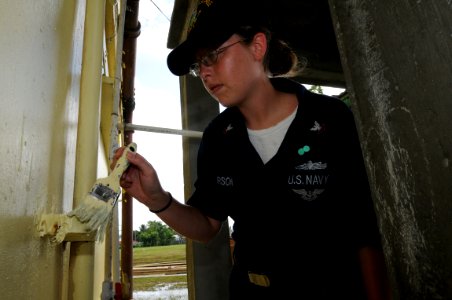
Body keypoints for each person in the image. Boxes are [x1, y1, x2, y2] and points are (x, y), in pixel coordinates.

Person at [112, 0, 391, 299]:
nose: (205, 73)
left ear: (257, 47)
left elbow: (364, 230)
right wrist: (157, 199)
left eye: (213, 56)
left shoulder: (332, 119)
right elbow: (207, 225)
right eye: (198, 65)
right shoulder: (218, 138)